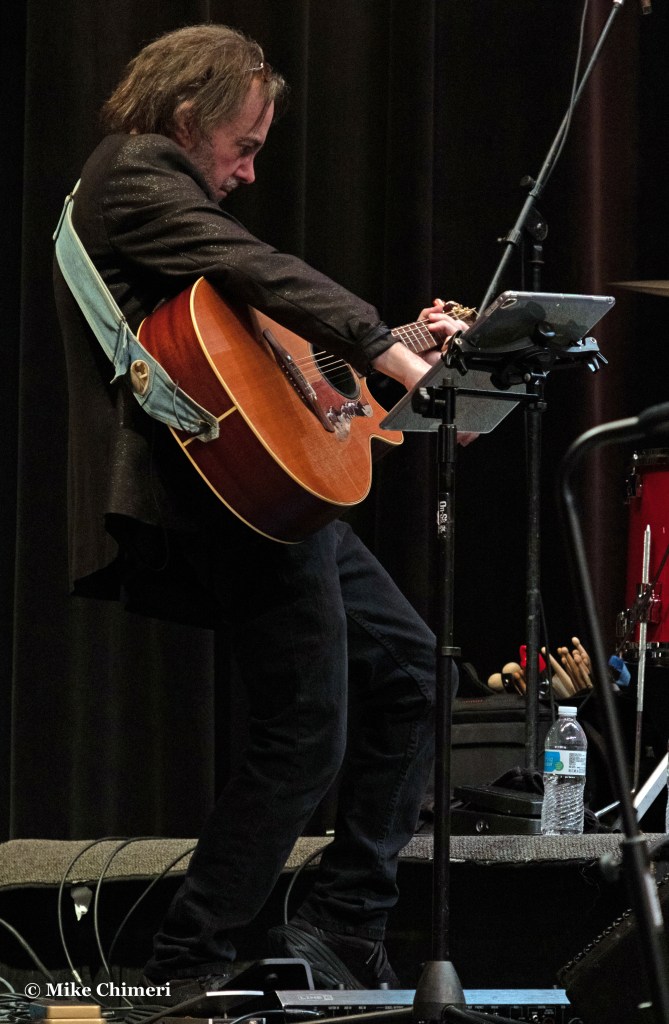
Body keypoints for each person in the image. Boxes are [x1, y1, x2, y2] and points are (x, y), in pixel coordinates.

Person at [53, 23, 470, 996]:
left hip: (264, 486)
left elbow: (268, 360)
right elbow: (259, 270)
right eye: (241, 146)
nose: (246, 172)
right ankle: (188, 963)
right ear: (186, 117)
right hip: (224, 494)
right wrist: (390, 349)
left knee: (416, 674)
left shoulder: (159, 194)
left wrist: (395, 352)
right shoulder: (134, 173)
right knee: (305, 728)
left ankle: (345, 923)